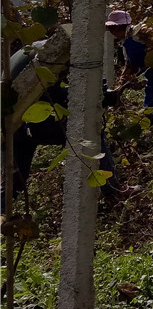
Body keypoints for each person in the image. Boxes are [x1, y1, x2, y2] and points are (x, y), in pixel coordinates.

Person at [1, 44, 138, 212]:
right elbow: (53, 95)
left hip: (10, 125)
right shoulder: (49, 58)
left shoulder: (29, 54)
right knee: (90, 130)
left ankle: (2, 213)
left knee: (13, 181)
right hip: (32, 120)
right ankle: (113, 191)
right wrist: (97, 95)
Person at [105, 10, 153, 118]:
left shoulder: (140, 33)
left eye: (112, 29)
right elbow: (130, 64)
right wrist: (123, 81)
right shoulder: (125, 43)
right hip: (151, 72)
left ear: (118, 27)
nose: (112, 33)